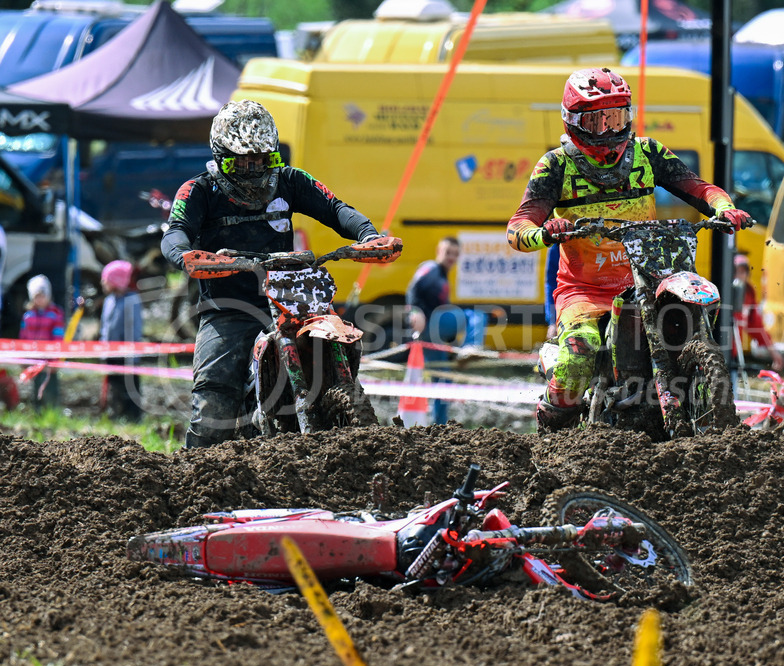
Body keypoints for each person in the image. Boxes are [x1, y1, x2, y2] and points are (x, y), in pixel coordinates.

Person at [506, 67, 753, 431]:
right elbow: (518, 227)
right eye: (597, 121)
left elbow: (699, 188)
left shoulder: (647, 152)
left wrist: (724, 208)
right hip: (585, 291)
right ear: (573, 122)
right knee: (579, 356)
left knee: (687, 318)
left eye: (616, 118)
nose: (609, 130)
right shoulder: (555, 166)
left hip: (649, 278)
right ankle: (553, 426)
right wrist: (543, 233)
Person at [162, 99, 396, 448]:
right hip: (230, 310)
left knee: (340, 338)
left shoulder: (290, 180)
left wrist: (368, 235)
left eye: (262, 159)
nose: (254, 168)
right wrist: (185, 254)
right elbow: (176, 232)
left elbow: (335, 209)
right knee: (215, 399)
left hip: (293, 299)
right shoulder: (199, 191)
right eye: (243, 161)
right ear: (221, 156)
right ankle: (195, 470)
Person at [405, 236, 486, 424]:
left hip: (432, 335)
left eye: (455, 254)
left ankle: (439, 426)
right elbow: (412, 288)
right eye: (448, 252)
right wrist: (415, 311)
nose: (451, 257)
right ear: (438, 251)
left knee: (442, 378)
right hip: (430, 324)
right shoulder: (431, 268)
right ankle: (471, 346)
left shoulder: (442, 277)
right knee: (476, 316)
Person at [99, 260, 144, 421]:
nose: (102, 283)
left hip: (127, 354)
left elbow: (134, 327)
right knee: (114, 384)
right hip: (111, 353)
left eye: (106, 280)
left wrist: (132, 351)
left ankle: (133, 416)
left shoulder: (132, 300)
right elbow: (105, 327)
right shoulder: (109, 301)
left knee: (130, 386)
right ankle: (115, 413)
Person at [732, 253, 784, 373]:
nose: (739, 276)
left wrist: (773, 352)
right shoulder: (722, 292)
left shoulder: (748, 294)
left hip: (734, 354)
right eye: (736, 272)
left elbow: (756, 327)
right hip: (718, 351)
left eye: (742, 272)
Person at [19, 274, 64, 409]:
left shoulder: (55, 314)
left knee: (51, 386)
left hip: (49, 360)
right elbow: (23, 338)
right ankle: (37, 411)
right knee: (36, 386)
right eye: (36, 296)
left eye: (42, 295)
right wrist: (23, 357)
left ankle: (53, 410)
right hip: (33, 359)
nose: (40, 299)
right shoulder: (28, 316)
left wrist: (55, 358)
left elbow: (58, 338)